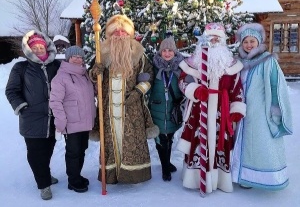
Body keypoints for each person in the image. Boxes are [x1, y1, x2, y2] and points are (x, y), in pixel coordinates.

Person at [176, 23, 246, 194]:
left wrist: (236, 109)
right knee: (197, 142)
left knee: (221, 145)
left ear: (223, 42)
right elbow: (182, 82)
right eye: (210, 38)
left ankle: (219, 180)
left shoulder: (231, 64)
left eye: (217, 38)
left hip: (221, 113)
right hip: (199, 110)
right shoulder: (193, 62)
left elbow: (237, 89)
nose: (214, 41)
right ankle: (194, 179)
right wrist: (194, 90)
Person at [89, 14, 159, 184]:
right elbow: (91, 78)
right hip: (108, 109)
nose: (120, 35)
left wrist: (137, 93)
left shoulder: (138, 55)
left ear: (130, 34)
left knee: (131, 141)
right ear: (110, 35)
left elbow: (148, 76)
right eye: (116, 32)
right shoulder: (101, 54)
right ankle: (112, 175)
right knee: (111, 141)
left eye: (123, 32)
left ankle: (133, 174)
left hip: (132, 107)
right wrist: (94, 72)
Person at [231, 23, 293, 190]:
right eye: (245, 42)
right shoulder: (238, 62)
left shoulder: (268, 61)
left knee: (260, 144)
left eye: (252, 41)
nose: (249, 45)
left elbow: (276, 87)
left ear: (258, 42)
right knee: (242, 143)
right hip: (242, 111)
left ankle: (266, 178)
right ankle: (243, 176)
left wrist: (275, 112)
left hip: (260, 111)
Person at [5, 30, 61, 200]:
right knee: (35, 154)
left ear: (46, 47)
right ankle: (44, 184)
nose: (38, 50)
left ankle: (44, 173)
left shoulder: (56, 65)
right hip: (31, 118)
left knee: (49, 149)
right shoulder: (21, 67)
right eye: (34, 47)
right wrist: (22, 107)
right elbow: (11, 90)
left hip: (53, 118)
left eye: (40, 46)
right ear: (28, 49)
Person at [49, 46, 96, 193]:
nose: (77, 59)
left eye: (80, 57)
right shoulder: (61, 77)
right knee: (73, 152)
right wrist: (61, 122)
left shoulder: (85, 75)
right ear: (68, 58)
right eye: (74, 57)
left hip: (86, 121)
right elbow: (55, 102)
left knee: (82, 150)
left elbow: (93, 92)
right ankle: (73, 181)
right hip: (71, 122)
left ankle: (77, 175)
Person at [149, 36, 184, 182]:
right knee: (160, 138)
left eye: (170, 50)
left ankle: (167, 162)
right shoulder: (153, 66)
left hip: (173, 110)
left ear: (175, 52)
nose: (167, 53)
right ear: (160, 52)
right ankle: (165, 167)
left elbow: (186, 85)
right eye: (164, 50)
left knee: (169, 136)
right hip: (157, 108)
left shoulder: (182, 67)